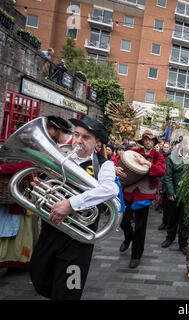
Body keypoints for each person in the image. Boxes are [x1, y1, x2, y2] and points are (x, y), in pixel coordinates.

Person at [28, 115, 119, 300]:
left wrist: (70, 204)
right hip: (51, 230)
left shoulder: (104, 164)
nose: (78, 141)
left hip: (78, 239)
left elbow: (110, 188)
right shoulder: (62, 156)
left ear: (97, 142)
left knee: (69, 290)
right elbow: (46, 185)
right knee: (39, 277)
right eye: (77, 135)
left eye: (86, 137)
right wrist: (42, 188)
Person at [118, 130, 166, 269]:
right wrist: (115, 168)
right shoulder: (133, 151)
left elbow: (162, 171)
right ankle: (128, 238)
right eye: (146, 140)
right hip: (128, 192)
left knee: (140, 227)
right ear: (143, 141)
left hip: (144, 195)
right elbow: (118, 160)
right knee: (123, 221)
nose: (148, 142)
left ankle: (136, 256)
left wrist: (147, 163)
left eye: (151, 140)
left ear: (154, 143)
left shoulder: (158, 155)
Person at [160, 136, 189, 255]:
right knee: (172, 218)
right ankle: (170, 238)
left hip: (187, 195)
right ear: (183, 145)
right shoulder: (171, 158)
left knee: (185, 220)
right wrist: (170, 192)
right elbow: (167, 176)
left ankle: (183, 243)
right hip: (174, 194)